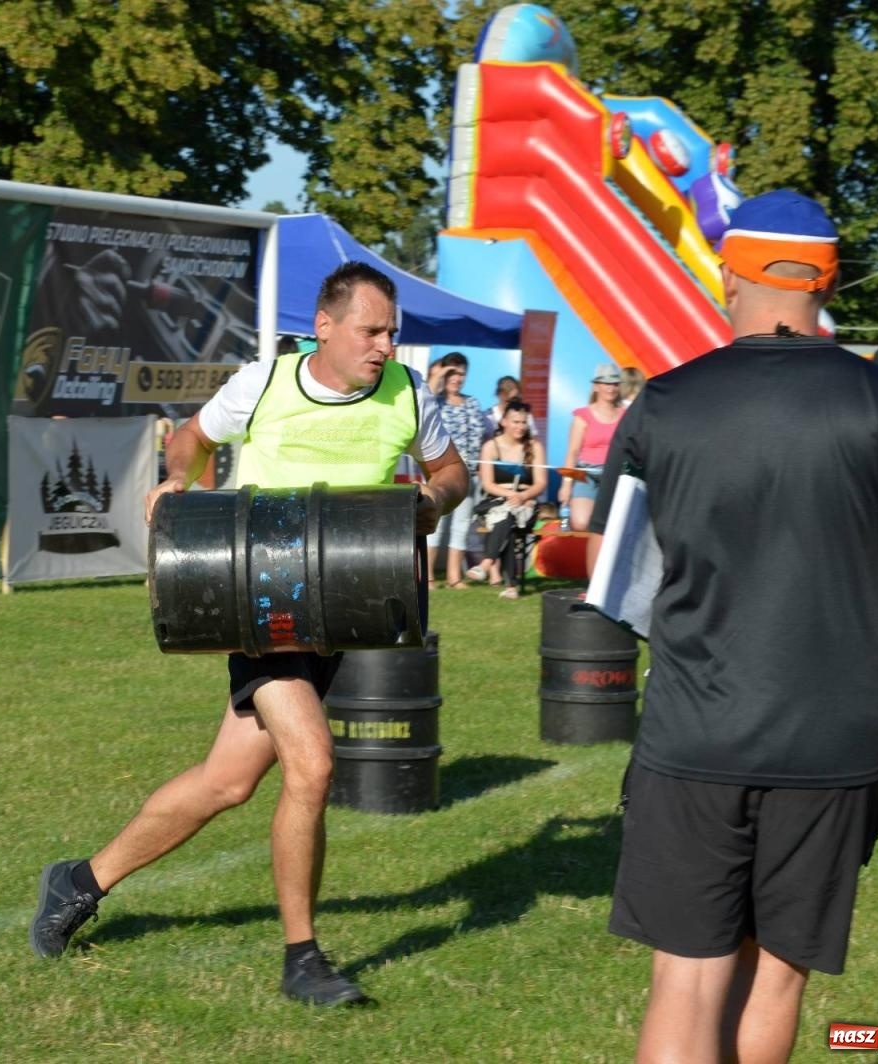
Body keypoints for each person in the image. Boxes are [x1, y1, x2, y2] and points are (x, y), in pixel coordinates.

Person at [589, 189, 878, 1063]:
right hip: (831, 741)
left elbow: (609, 567)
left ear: (729, 270)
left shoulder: (665, 402)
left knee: (685, 978)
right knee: (776, 974)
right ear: (827, 277)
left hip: (695, 729)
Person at [29, 261, 470, 1007]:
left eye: (391, 331)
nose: (384, 346)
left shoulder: (407, 395)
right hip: (259, 606)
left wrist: (432, 498)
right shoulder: (265, 383)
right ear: (324, 328)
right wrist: (180, 482)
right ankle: (303, 960)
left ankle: (80, 880)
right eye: (370, 330)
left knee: (227, 781)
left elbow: (453, 472)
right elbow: (193, 439)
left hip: (337, 617)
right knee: (314, 764)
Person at [468, 398, 545, 598]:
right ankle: (511, 586)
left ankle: (486, 563)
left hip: (526, 502)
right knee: (507, 518)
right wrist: (510, 495)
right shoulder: (491, 447)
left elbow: (540, 483)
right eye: (515, 421)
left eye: (523, 422)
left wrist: (523, 496)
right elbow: (488, 484)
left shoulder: (534, 447)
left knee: (509, 516)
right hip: (497, 502)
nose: (520, 426)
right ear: (503, 422)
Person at [426, 353, 486, 587]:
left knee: (461, 526)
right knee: (436, 525)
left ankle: (454, 577)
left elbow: (479, 436)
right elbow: (425, 397)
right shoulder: (435, 401)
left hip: (468, 475)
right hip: (439, 473)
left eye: (461, 373)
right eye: (453, 372)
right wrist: (440, 373)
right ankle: (428, 576)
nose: (457, 378)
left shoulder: (472, 403)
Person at [557, 363, 625, 532]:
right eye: (606, 383)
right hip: (586, 473)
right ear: (596, 386)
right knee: (581, 522)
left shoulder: (626, 414)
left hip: (614, 473)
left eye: (615, 383)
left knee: (614, 525)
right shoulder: (582, 415)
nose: (611, 388)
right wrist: (566, 485)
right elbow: (572, 452)